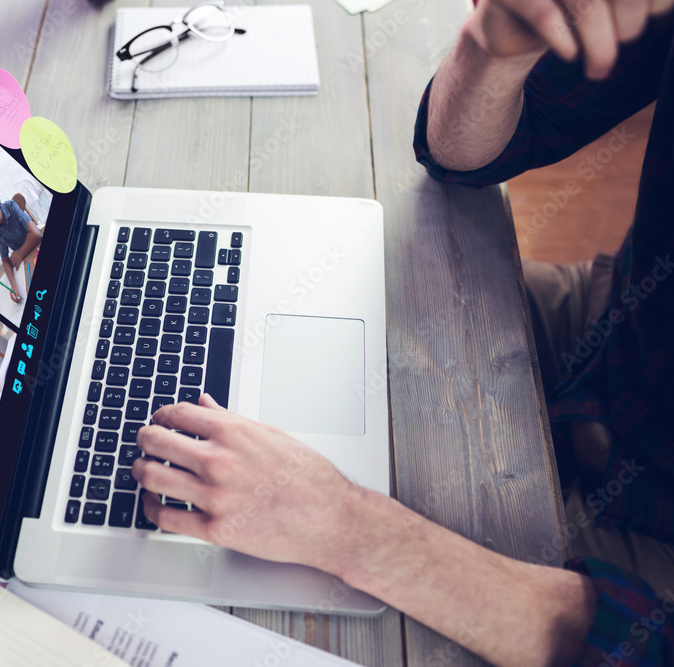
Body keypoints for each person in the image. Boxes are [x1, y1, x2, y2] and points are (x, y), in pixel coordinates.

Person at [131, 1, 674, 664]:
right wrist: (496, 47)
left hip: (647, 557)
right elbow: (460, 151)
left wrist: (348, 526)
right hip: (614, 334)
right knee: (286, 295)